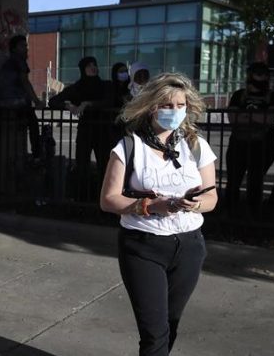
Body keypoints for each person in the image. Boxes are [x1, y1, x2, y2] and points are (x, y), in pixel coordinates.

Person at [100, 73, 218, 356]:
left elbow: (211, 197)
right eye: (167, 105)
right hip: (143, 246)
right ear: (151, 106)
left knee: (170, 324)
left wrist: (194, 204)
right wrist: (151, 206)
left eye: (181, 105)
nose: (175, 112)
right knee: (154, 333)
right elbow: (108, 200)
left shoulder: (196, 145)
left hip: (189, 246)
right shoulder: (129, 147)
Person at [225, 62, 274, 210]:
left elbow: (270, 119)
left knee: (255, 182)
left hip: (263, 145)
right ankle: (229, 214)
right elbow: (232, 118)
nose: (261, 77)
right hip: (239, 144)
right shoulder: (239, 95)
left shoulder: (273, 96)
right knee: (233, 181)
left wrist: (245, 116)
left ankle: (253, 215)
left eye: (264, 74)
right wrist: (257, 117)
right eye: (257, 73)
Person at [49, 56, 105, 200]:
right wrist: (69, 106)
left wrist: (87, 104)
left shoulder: (104, 86)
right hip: (86, 130)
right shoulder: (77, 88)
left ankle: (103, 198)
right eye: (89, 66)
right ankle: (82, 199)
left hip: (103, 131)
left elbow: (108, 100)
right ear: (83, 69)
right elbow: (53, 101)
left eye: (95, 64)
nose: (93, 68)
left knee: (104, 166)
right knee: (82, 165)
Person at [0, 35, 43, 161]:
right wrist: (37, 101)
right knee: (33, 123)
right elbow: (25, 82)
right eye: (23, 46)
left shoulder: (8, 62)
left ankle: (22, 155)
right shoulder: (19, 61)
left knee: (18, 128)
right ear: (15, 48)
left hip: (4, 103)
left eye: (26, 45)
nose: (26, 48)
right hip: (16, 101)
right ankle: (36, 154)